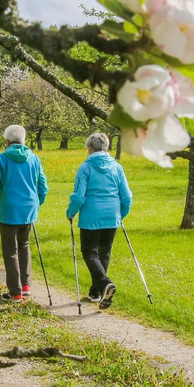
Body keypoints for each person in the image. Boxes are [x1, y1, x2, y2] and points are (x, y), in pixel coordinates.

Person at [66, 132, 132, 310]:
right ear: (107, 148)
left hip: (91, 217)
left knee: (89, 252)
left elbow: (79, 196)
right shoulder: (117, 167)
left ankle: (104, 284)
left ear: (89, 148)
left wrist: (71, 213)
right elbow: (127, 196)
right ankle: (96, 293)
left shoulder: (85, 167)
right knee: (104, 253)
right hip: (112, 216)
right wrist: (120, 214)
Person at [0, 124, 49, 302]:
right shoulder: (34, 159)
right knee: (24, 245)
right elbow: (43, 186)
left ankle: (15, 292)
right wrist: (38, 202)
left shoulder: (1, 159)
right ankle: (26, 285)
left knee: (10, 250)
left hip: (9, 210)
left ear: (7, 141)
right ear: (24, 140)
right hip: (29, 210)